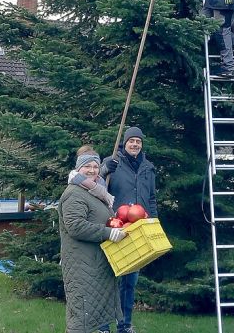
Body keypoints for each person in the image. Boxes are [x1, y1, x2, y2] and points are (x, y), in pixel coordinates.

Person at [59, 147, 127, 333]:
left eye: (95, 166)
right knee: (81, 316)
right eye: (87, 166)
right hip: (82, 266)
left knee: (91, 317)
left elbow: (100, 218)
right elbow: (75, 226)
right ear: (78, 169)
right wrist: (107, 233)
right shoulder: (74, 193)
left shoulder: (96, 191)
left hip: (95, 263)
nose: (92, 170)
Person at [101, 127, 158, 333]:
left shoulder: (148, 167)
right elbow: (96, 185)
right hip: (115, 227)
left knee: (130, 281)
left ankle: (124, 325)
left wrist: (154, 222)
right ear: (124, 143)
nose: (135, 144)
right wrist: (103, 170)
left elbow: (151, 198)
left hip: (138, 230)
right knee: (109, 279)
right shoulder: (112, 163)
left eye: (138, 141)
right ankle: (103, 326)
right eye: (131, 141)